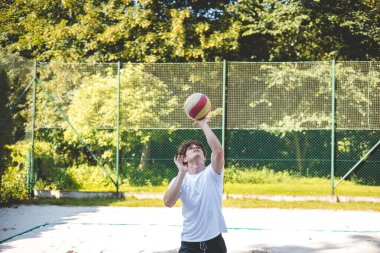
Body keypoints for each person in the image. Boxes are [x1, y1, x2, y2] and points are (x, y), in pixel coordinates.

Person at [164, 116, 228, 253]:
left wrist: (203, 124)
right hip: (189, 243)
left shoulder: (212, 174)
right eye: (191, 148)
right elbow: (168, 202)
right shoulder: (180, 179)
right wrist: (181, 172)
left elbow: (218, 151)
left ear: (205, 157)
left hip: (214, 242)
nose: (195, 148)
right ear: (184, 158)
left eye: (198, 147)